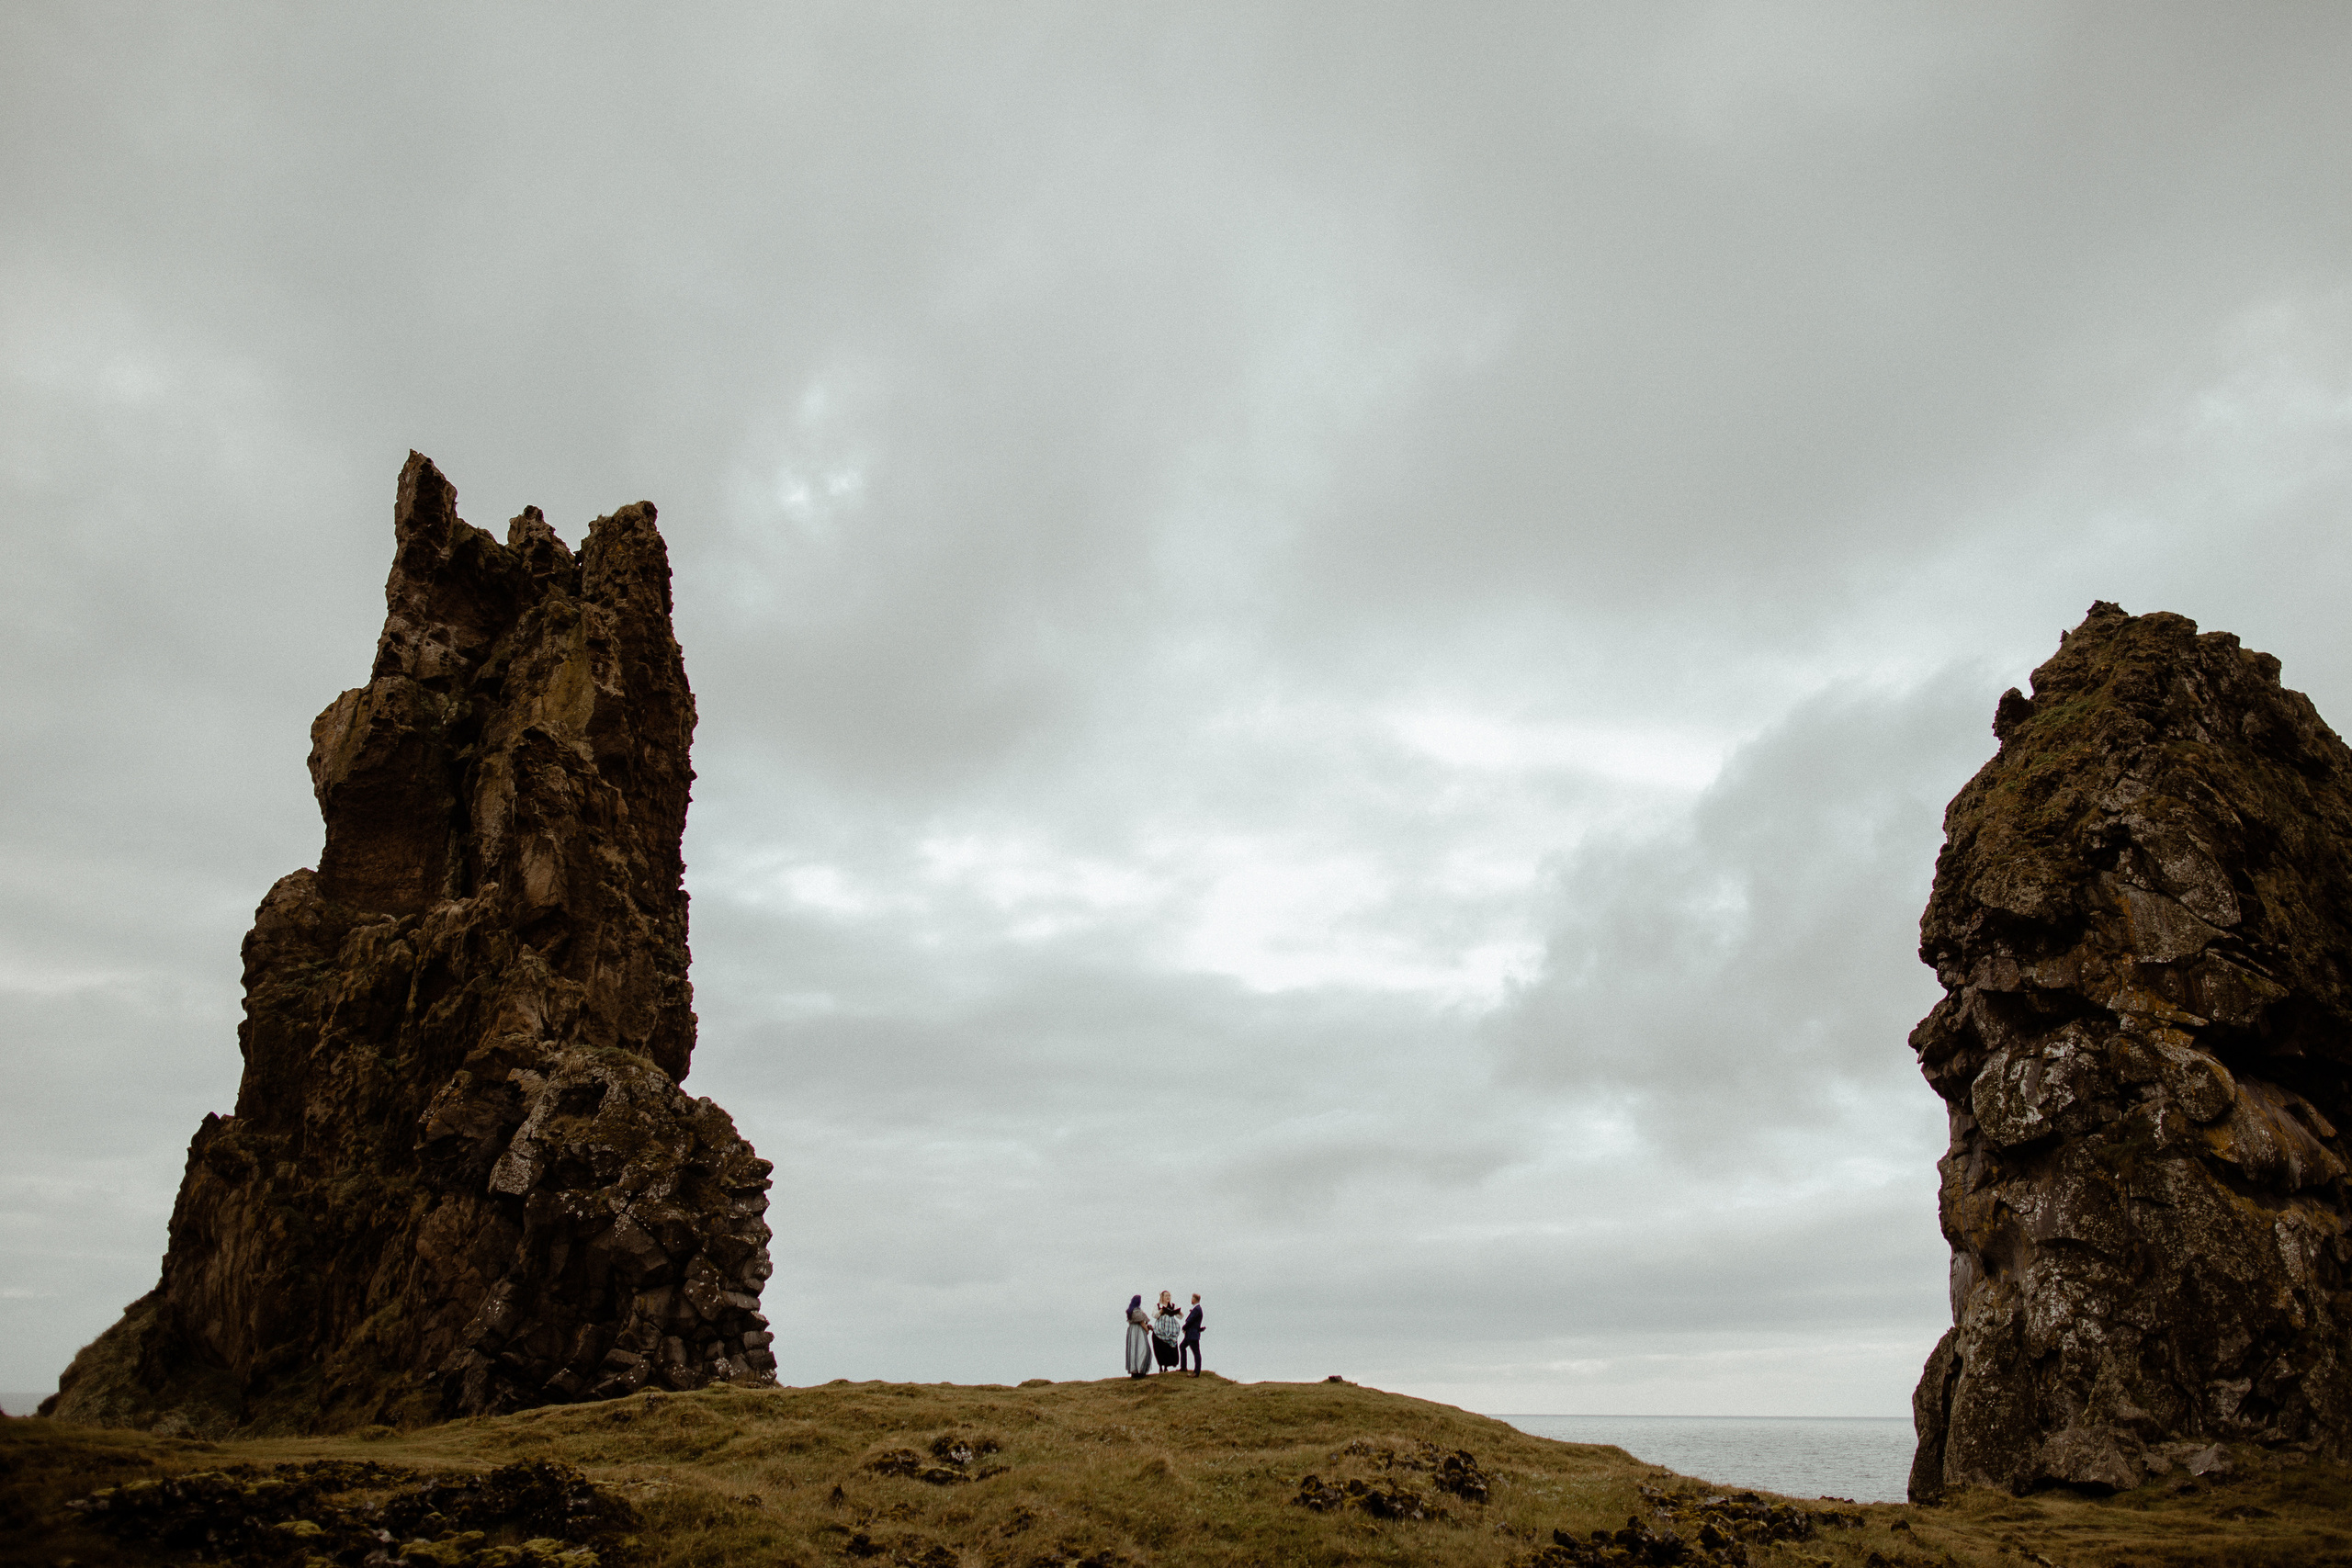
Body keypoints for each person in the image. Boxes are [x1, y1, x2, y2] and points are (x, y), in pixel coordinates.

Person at [1152, 1291, 1182, 1371]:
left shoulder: (1173, 1305)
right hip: (1160, 1329)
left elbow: (1180, 1317)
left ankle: (1166, 1366)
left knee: (1168, 1348)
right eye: (1166, 1296)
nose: (1168, 1297)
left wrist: (1179, 1312)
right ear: (1162, 1297)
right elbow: (1154, 1315)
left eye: (1169, 1296)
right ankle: (1161, 1366)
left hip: (1170, 1329)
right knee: (1160, 1348)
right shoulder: (1158, 1306)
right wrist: (1161, 1311)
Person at [1125, 1295, 1154, 1378]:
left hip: (1132, 1331)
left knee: (1133, 1350)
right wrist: (1147, 1330)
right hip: (1138, 1331)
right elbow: (1141, 1322)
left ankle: (1134, 1370)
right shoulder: (1136, 1311)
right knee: (1141, 1349)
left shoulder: (1130, 1311)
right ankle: (1140, 1370)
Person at [1180, 1292, 1204, 1377]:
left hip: (1192, 1335)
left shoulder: (1196, 1309)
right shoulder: (1197, 1309)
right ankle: (1183, 1367)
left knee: (1196, 1352)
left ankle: (1196, 1372)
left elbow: (1190, 1321)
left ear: (1194, 1300)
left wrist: (1184, 1327)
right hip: (1190, 1334)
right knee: (1182, 1346)